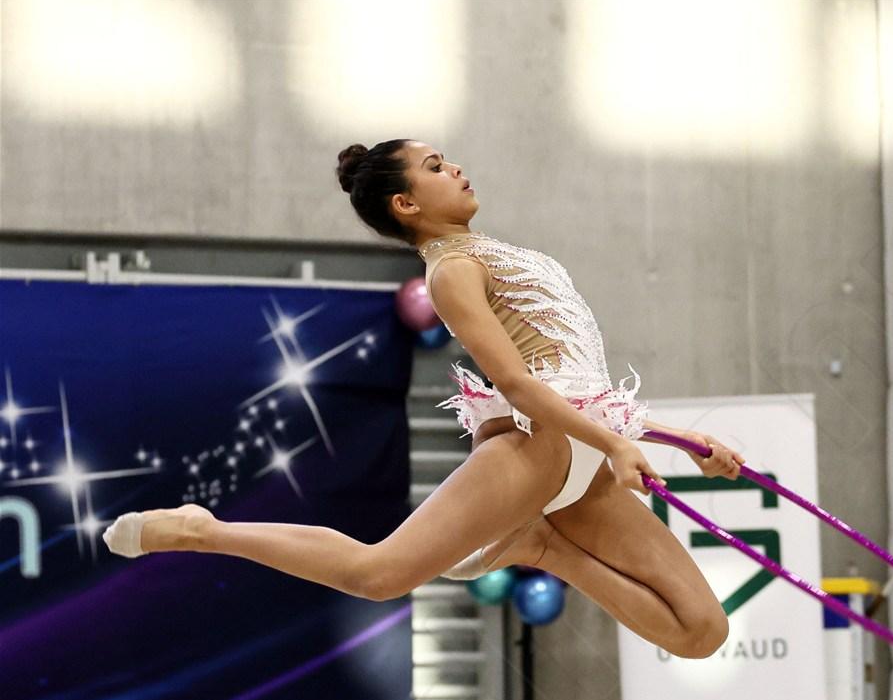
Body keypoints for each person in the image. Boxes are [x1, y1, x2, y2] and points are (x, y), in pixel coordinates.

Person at [103, 138, 745, 659]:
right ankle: (205, 530)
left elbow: (578, 381)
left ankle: (541, 546)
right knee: (378, 574)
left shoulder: (494, 250)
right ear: (405, 203)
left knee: (701, 631)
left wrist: (679, 440)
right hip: (538, 445)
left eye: (449, 159)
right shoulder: (451, 272)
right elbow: (517, 385)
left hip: (585, 449)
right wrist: (614, 444)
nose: (456, 168)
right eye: (436, 166)